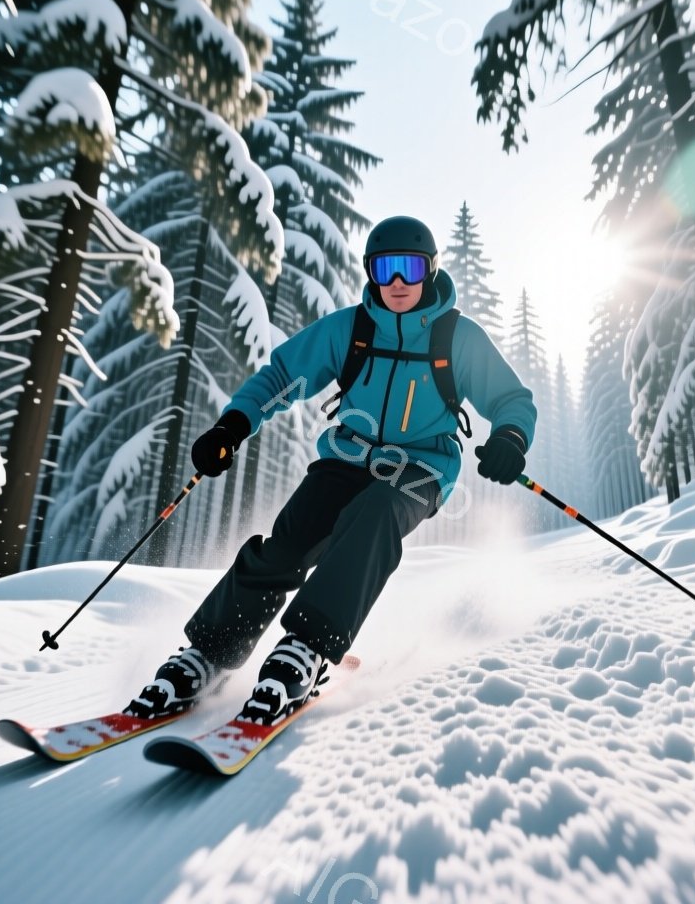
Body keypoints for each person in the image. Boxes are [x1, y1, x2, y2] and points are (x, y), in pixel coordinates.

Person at [122, 215, 538, 727]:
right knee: (288, 542)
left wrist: (509, 438)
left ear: (430, 271)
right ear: (371, 273)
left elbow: (511, 398)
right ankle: (208, 654)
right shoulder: (352, 329)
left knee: (376, 514)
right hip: (347, 457)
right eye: (386, 270)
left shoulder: (457, 338)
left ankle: (306, 650)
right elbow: (282, 375)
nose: (398, 283)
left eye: (410, 269)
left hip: (421, 468)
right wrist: (233, 425)